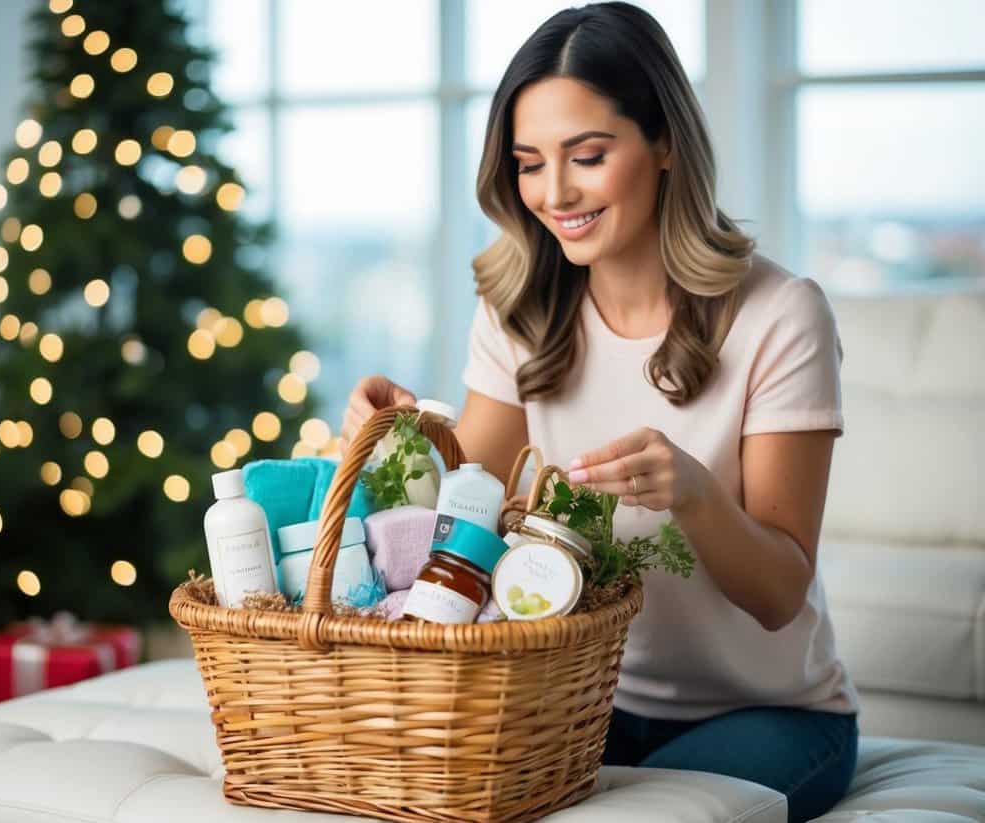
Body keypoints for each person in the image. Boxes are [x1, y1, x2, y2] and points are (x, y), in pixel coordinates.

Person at [339, 3, 858, 820]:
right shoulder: (521, 308)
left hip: (770, 715)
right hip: (573, 694)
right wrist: (386, 443)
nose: (555, 193)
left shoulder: (781, 314)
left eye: (587, 155)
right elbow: (462, 513)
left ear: (665, 145)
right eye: (529, 162)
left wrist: (692, 492)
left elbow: (779, 593)